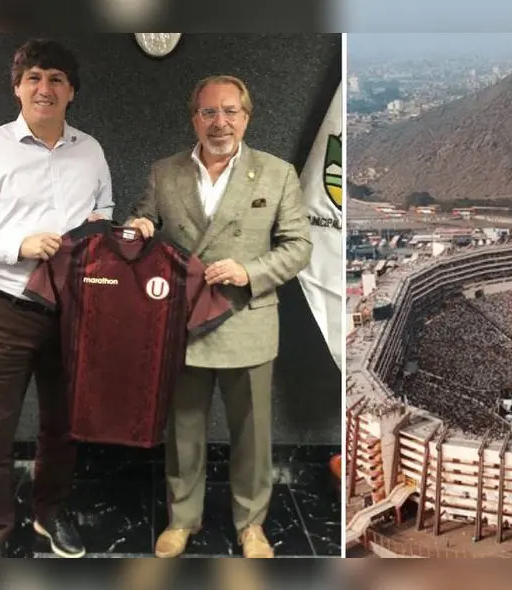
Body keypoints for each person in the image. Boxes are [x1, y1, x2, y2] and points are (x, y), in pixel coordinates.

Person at [0, 38, 113, 558]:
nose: (44, 87)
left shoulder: (92, 149)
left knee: (63, 426)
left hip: (74, 313)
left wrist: (100, 230)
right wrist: (18, 245)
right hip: (6, 308)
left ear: (71, 91)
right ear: (16, 87)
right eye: (34, 77)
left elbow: (102, 207)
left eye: (56, 78)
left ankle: (49, 516)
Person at [126, 74, 312, 558]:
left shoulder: (278, 173)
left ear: (246, 118)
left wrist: (249, 271)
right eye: (209, 112)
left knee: (252, 435)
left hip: (246, 320)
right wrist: (139, 224)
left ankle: (251, 524)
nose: (220, 122)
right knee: (184, 430)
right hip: (184, 322)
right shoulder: (165, 172)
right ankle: (182, 519)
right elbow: (143, 217)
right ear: (195, 119)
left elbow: (299, 247)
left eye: (230, 111)